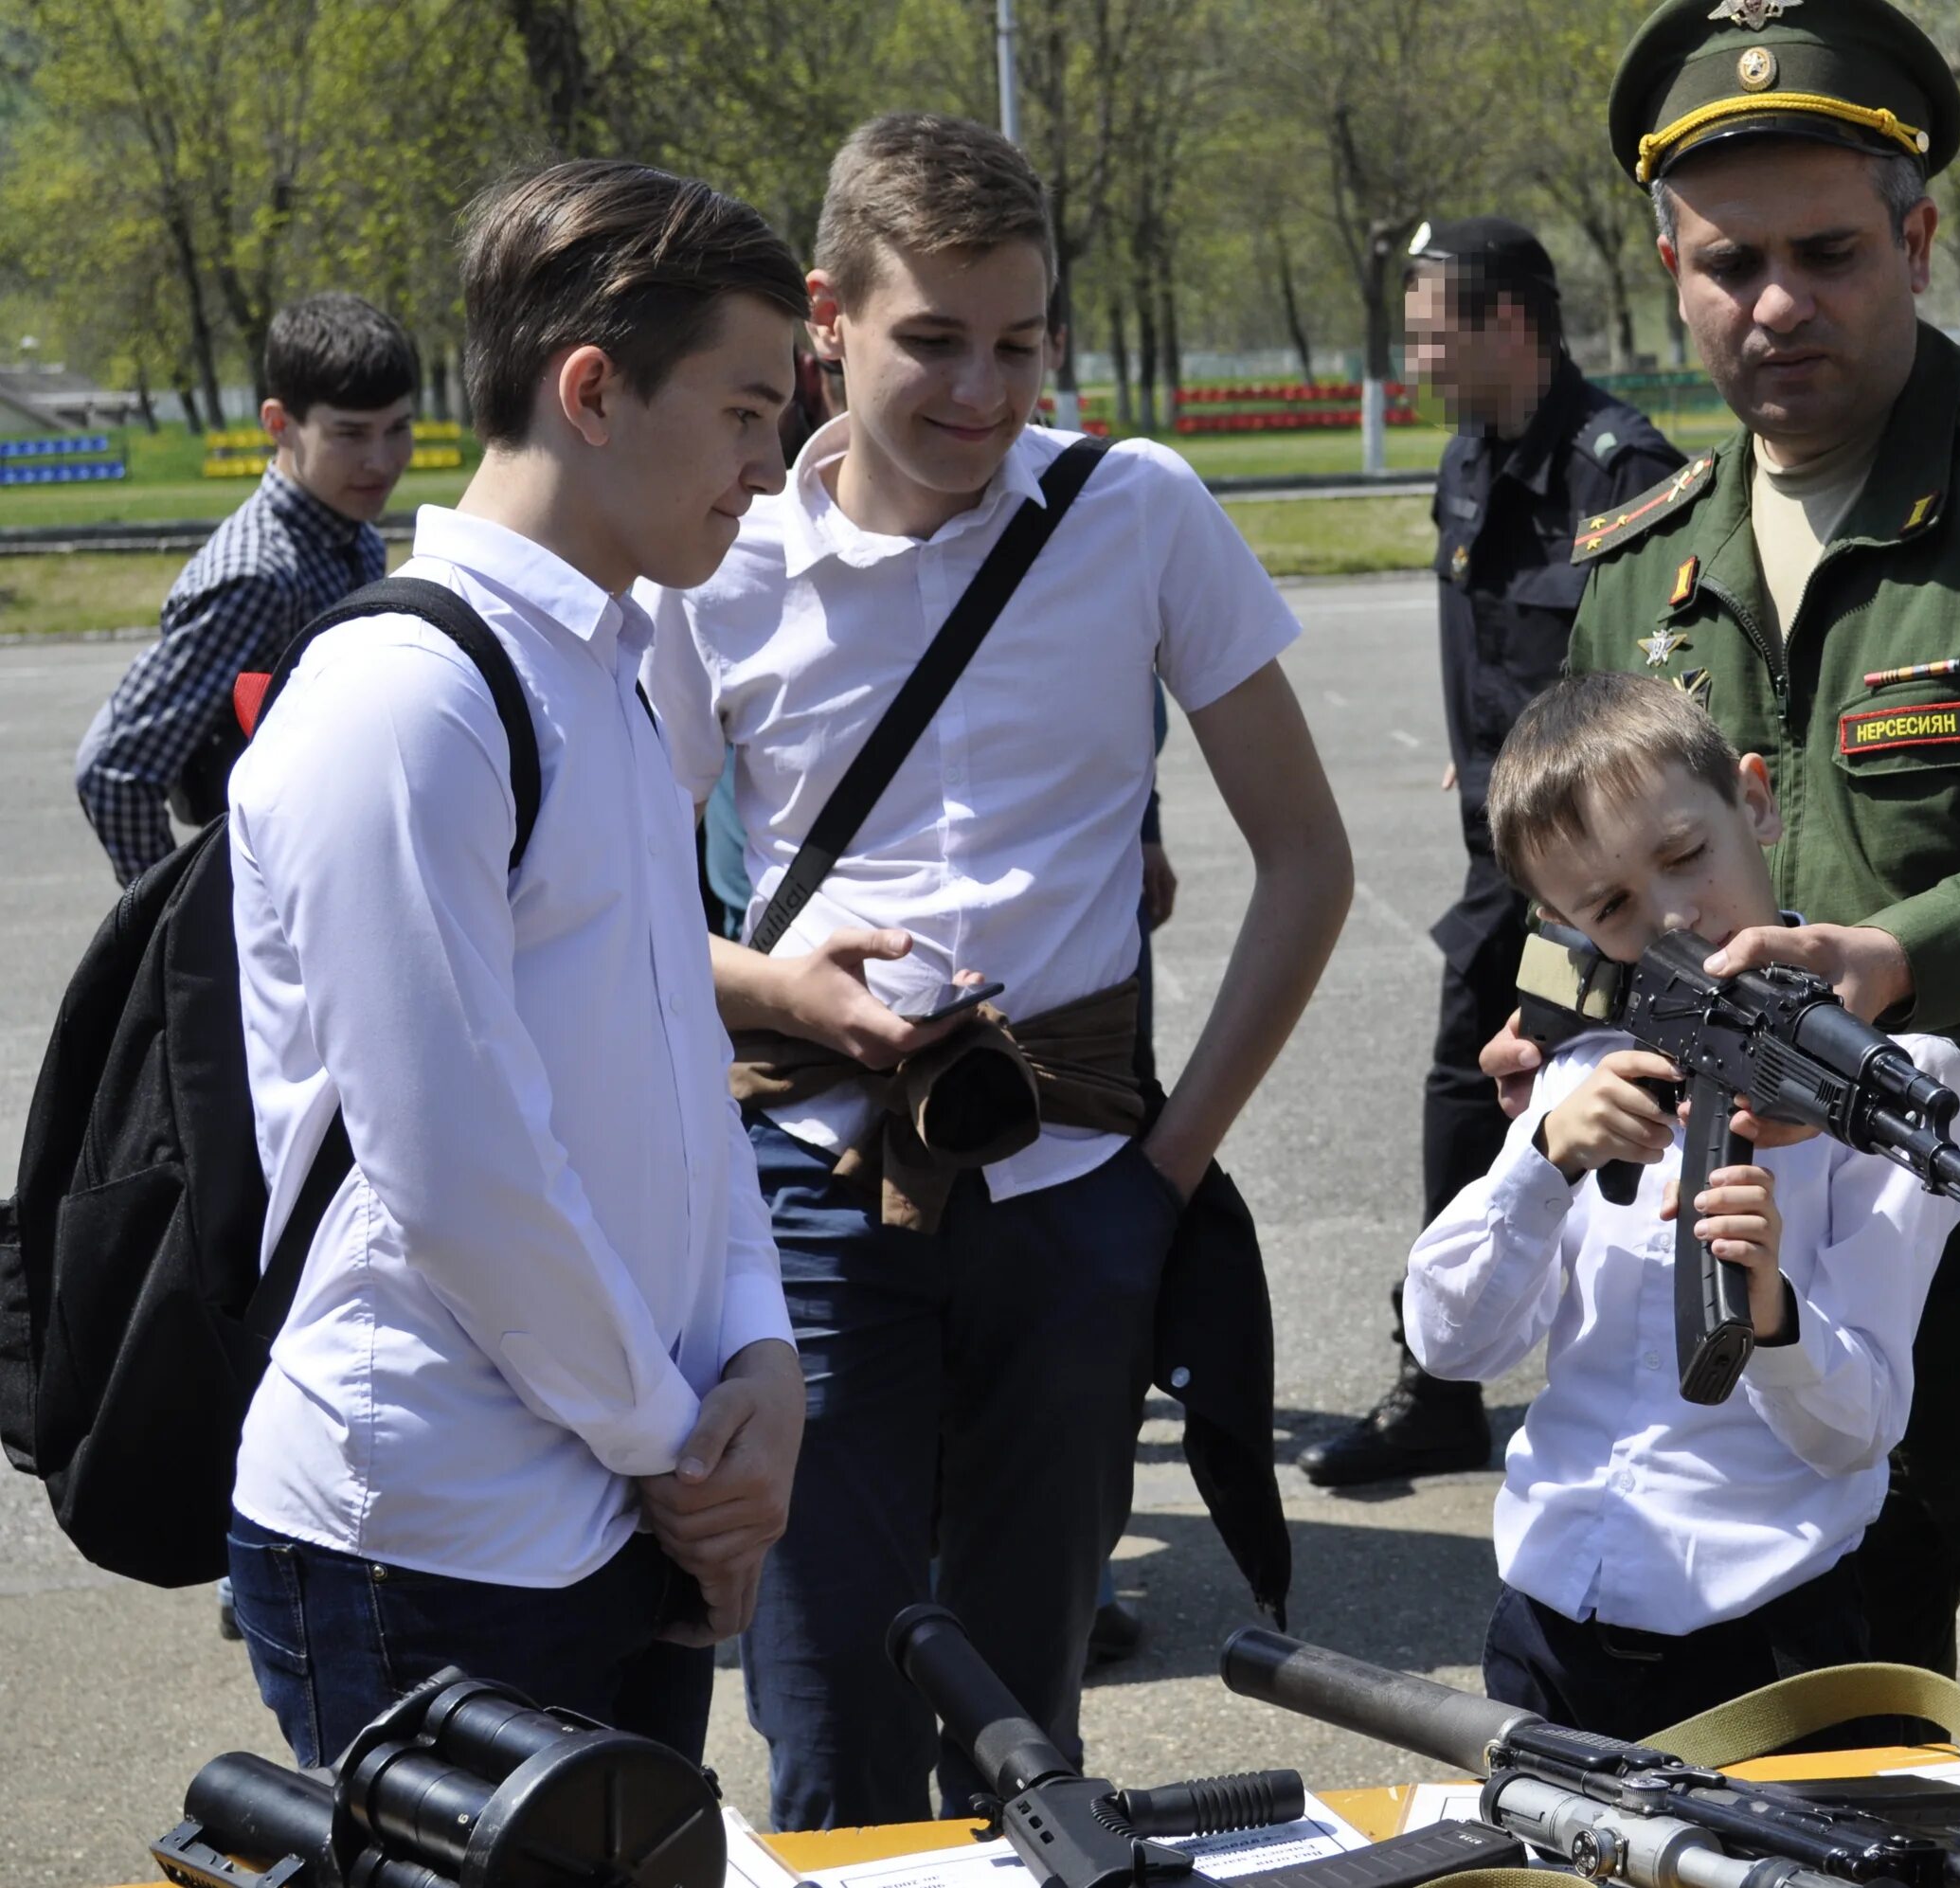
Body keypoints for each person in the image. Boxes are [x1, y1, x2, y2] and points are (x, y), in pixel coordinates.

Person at [1486, 0, 1960, 1744]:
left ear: (1914, 240)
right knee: (1803, 1787)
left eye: (1828, 252)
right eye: (1729, 262)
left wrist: (1895, 955)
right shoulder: (1645, 563)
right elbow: (1573, 885)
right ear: (1672, 271)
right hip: (1777, 1289)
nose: (1776, 303)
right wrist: (1548, 1034)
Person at [642, 112, 1352, 1829]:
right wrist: (786, 996)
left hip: (1079, 1197)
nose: (982, 390)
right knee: (830, 1718)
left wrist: (1162, 1175)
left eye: (1020, 344)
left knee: (1030, 1718)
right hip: (814, 1195)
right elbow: (623, 926)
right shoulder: (718, 561)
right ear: (827, 318)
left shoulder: (1138, 510)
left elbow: (1309, 861)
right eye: (933, 341)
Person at [221, 159, 811, 1767]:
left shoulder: (608, 673)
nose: (772, 464)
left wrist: (759, 1348)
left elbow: (684, 1070)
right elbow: (459, 1162)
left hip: (620, 1501)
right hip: (438, 1537)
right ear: (593, 390)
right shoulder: (410, 699)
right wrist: (687, 1447)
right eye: (749, 411)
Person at [1409, 673, 1960, 1738]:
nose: (1670, 912)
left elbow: (1857, 1432)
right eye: (1611, 906)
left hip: (1766, 1652)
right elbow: (1449, 1342)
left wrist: (1773, 1318)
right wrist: (1541, 1159)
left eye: (1684, 856)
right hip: (1548, 1640)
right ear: (1561, 923)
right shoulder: (1580, 1068)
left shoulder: (1895, 1082)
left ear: (1754, 801)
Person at [1301, 216, 1681, 1489]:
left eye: (1432, 331)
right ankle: (1443, 1376)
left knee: (1618, 1092)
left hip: (1610, 888)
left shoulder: (1622, 473)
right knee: (1479, 1080)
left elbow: (1659, 694)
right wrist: (1479, 761)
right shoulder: (1468, 463)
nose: (1415, 359)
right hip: (1505, 869)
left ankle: (1668, 1368)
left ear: (1508, 321)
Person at [76, 293, 418, 883]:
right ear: (279, 425)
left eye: (398, 429)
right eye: (351, 434)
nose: (381, 460)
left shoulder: (350, 533)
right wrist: (178, 925)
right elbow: (114, 770)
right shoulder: (259, 577)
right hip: (271, 900)